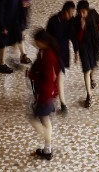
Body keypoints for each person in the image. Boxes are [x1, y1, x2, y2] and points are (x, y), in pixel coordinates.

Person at [26, 29, 61, 162]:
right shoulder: (44, 52)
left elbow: (48, 77)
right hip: (48, 93)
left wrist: (33, 75)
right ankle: (47, 148)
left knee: (36, 120)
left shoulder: (48, 56)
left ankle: (48, 143)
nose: (34, 43)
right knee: (45, 120)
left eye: (36, 41)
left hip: (45, 93)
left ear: (42, 42)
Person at [71, 0, 99, 108]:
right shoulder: (76, 21)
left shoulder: (94, 15)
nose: (82, 14)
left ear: (87, 11)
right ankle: (89, 95)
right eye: (80, 12)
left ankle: (92, 78)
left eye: (84, 12)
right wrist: (82, 28)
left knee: (93, 66)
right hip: (83, 48)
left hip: (94, 45)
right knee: (86, 69)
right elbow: (77, 38)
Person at [45, 1, 75, 113]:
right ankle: (59, 103)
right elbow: (47, 37)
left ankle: (61, 103)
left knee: (60, 78)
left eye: (72, 13)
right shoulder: (53, 20)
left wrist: (76, 51)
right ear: (63, 12)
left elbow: (73, 37)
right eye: (70, 13)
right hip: (53, 54)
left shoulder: (71, 21)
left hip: (64, 54)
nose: (71, 16)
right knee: (54, 78)